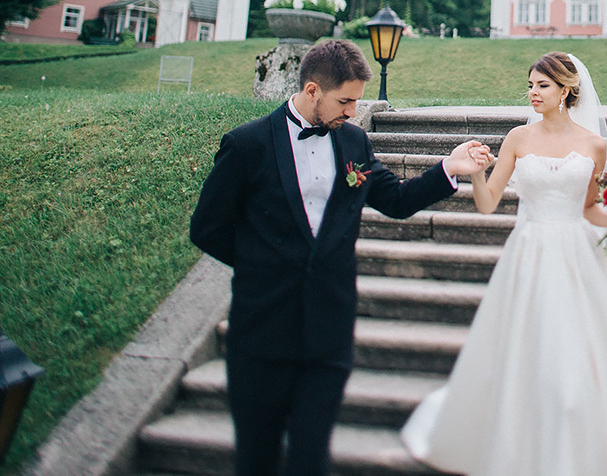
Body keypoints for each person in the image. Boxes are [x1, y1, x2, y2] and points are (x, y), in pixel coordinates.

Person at [401, 51, 607, 476]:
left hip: (575, 255)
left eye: (542, 86)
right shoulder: (517, 138)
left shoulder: (594, 145)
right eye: (530, 85)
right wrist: (477, 172)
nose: (532, 93)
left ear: (566, 90)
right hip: (528, 253)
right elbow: (487, 205)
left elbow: (589, 208)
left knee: (577, 355)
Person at [190, 39, 490, 476]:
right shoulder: (246, 144)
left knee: (311, 459)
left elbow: (397, 200)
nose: (352, 111)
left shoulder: (353, 142)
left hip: (329, 334)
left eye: (356, 102)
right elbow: (207, 228)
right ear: (312, 90)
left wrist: (449, 167)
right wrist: (262, 266)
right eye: (345, 101)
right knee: (257, 460)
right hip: (261, 334)